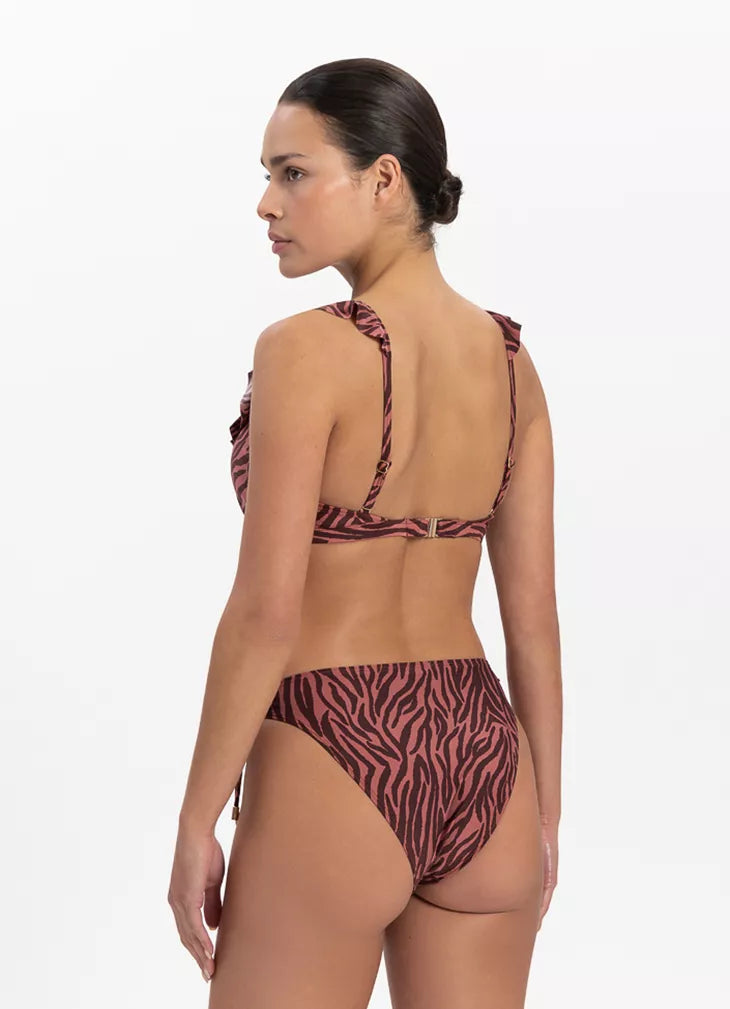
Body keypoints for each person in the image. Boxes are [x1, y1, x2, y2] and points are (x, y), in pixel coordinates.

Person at [168, 56, 562, 1008]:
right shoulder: (511, 362)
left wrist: (196, 818)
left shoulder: (305, 350)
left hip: (333, 746)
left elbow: (265, 612)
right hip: (485, 755)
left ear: (385, 179)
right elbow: (535, 622)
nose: (267, 203)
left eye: (293, 172)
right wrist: (545, 815)